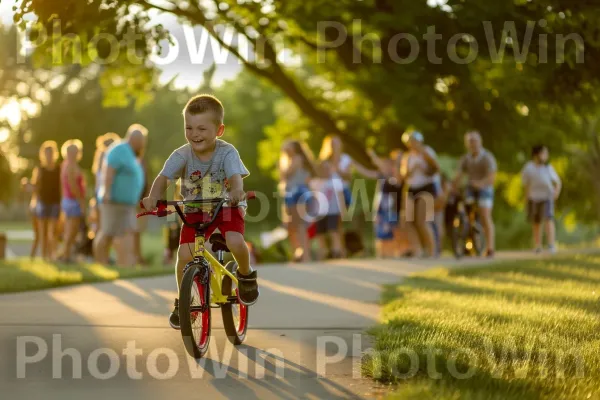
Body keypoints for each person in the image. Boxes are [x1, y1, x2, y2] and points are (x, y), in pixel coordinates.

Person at [142, 94, 259, 330]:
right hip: (195, 209)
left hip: (227, 206)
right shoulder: (182, 154)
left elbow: (236, 179)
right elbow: (164, 177)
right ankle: (183, 301)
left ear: (219, 129)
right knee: (184, 256)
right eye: (189, 128)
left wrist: (237, 191)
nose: (195, 134)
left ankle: (246, 276)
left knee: (235, 240)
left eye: (202, 129)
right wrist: (153, 197)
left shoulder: (227, 153)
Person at [94, 124, 147, 267]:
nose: (143, 144)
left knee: (129, 232)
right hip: (113, 201)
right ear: (133, 138)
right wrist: (106, 192)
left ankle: (126, 265)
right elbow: (109, 171)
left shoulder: (131, 153)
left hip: (127, 204)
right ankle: (100, 263)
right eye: (141, 140)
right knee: (107, 234)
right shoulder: (119, 150)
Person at [453, 131, 497, 258]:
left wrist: (480, 184)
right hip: (471, 188)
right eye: (470, 141)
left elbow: (491, 178)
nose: (472, 144)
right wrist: (454, 187)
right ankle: (468, 239)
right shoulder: (465, 159)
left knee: (484, 215)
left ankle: (490, 248)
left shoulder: (487, 157)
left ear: (480, 142)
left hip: (485, 188)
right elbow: (459, 175)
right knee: (466, 212)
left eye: (474, 141)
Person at [399, 131, 440, 258]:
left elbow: (436, 168)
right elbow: (404, 175)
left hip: (426, 188)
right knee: (406, 221)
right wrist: (412, 169)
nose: (412, 144)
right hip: (412, 188)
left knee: (422, 221)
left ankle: (432, 250)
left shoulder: (427, 151)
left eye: (414, 141)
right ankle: (417, 249)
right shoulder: (408, 157)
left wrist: (424, 157)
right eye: (410, 142)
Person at [279, 139, 317, 262]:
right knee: (291, 225)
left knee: (299, 224)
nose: (286, 149)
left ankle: (305, 255)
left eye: (288, 147)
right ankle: (298, 252)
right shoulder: (290, 160)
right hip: (292, 193)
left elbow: (286, 174)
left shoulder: (297, 159)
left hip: (298, 193)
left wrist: (281, 166)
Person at [521, 145, 561, 254]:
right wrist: (526, 200)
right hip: (534, 198)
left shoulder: (548, 168)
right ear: (536, 154)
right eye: (544, 153)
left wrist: (556, 193)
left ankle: (551, 245)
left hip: (547, 197)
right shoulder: (528, 168)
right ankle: (538, 245)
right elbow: (526, 185)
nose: (546, 156)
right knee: (536, 222)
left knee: (548, 219)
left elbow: (557, 182)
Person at [30, 141, 61, 260]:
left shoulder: (58, 169)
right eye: (47, 153)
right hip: (42, 202)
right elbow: (35, 186)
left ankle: (51, 255)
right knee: (42, 232)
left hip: (55, 202)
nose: (49, 155)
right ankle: (43, 256)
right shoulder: (40, 169)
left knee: (52, 232)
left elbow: (61, 187)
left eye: (51, 153)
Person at [310, 160, 346, 260]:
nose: (326, 171)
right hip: (319, 212)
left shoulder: (335, 180)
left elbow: (340, 196)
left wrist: (343, 210)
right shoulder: (315, 182)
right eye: (323, 168)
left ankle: (337, 251)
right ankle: (323, 251)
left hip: (333, 211)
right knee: (320, 233)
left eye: (327, 168)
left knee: (333, 230)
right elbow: (314, 198)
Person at [59, 139, 86, 263]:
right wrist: (81, 201)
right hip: (73, 201)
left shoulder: (66, 165)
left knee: (71, 230)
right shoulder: (70, 166)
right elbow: (73, 186)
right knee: (72, 230)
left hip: (68, 200)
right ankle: (66, 255)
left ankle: (67, 254)